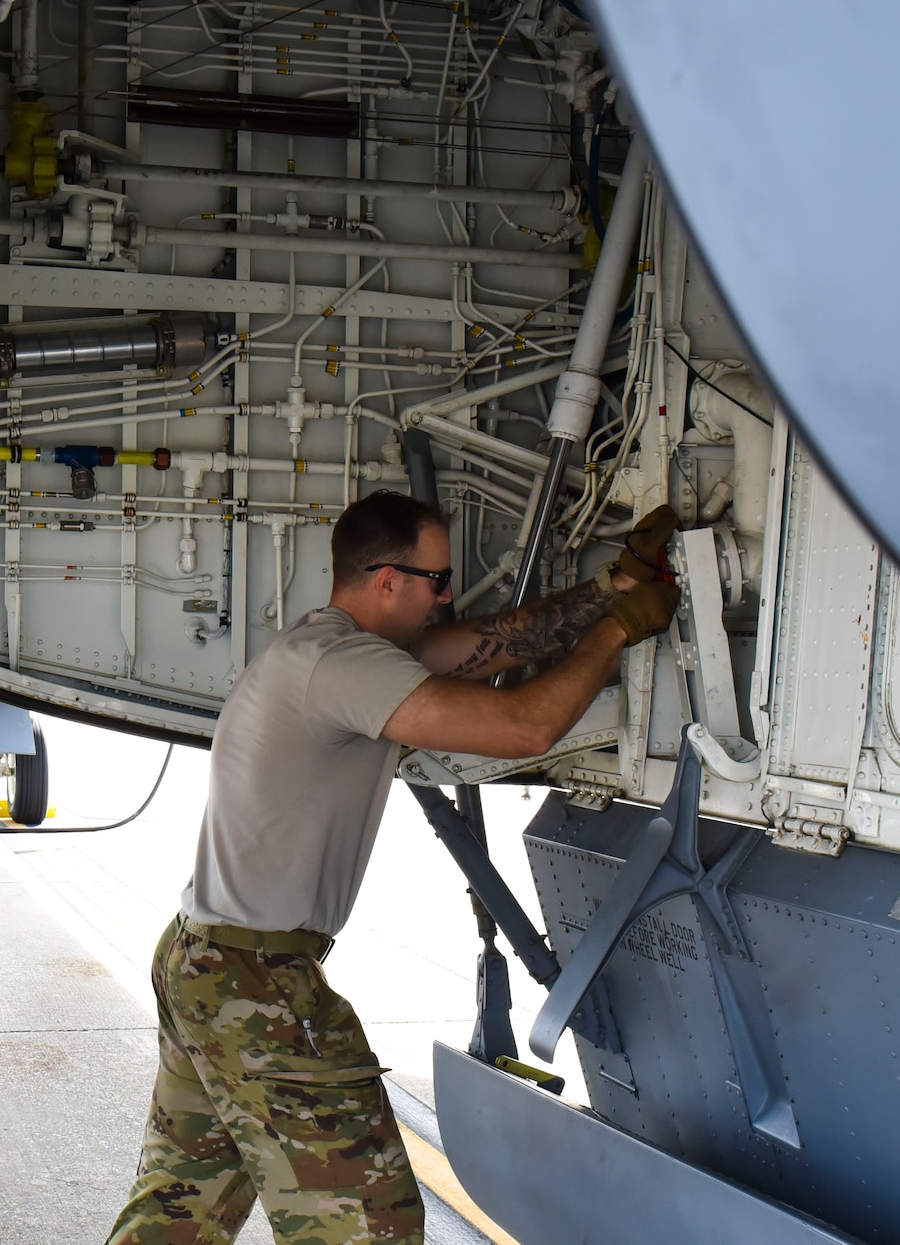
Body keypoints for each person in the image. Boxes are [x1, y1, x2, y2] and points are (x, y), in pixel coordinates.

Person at [105, 491, 682, 1245]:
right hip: (256, 981)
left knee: (179, 1213)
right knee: (367, 1224)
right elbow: (525, 725)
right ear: (385, 580)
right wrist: (617, 631)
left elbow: (494, 643)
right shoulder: (339, 667)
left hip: (205, 959)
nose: (446, 598)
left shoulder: (331, 651)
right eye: (437, 581)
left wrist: (611, 590)